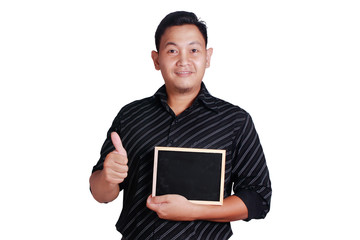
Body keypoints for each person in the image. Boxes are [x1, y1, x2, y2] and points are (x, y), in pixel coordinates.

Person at [90, 11, 271, 240]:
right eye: (172, 50)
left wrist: (193, 211)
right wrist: (107, 177)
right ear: (156, 59)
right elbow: (101, 194)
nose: (183, 60)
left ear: (207, 57)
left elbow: (258, 199)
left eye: (194, 50)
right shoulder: (130, 115)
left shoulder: (236, 121)